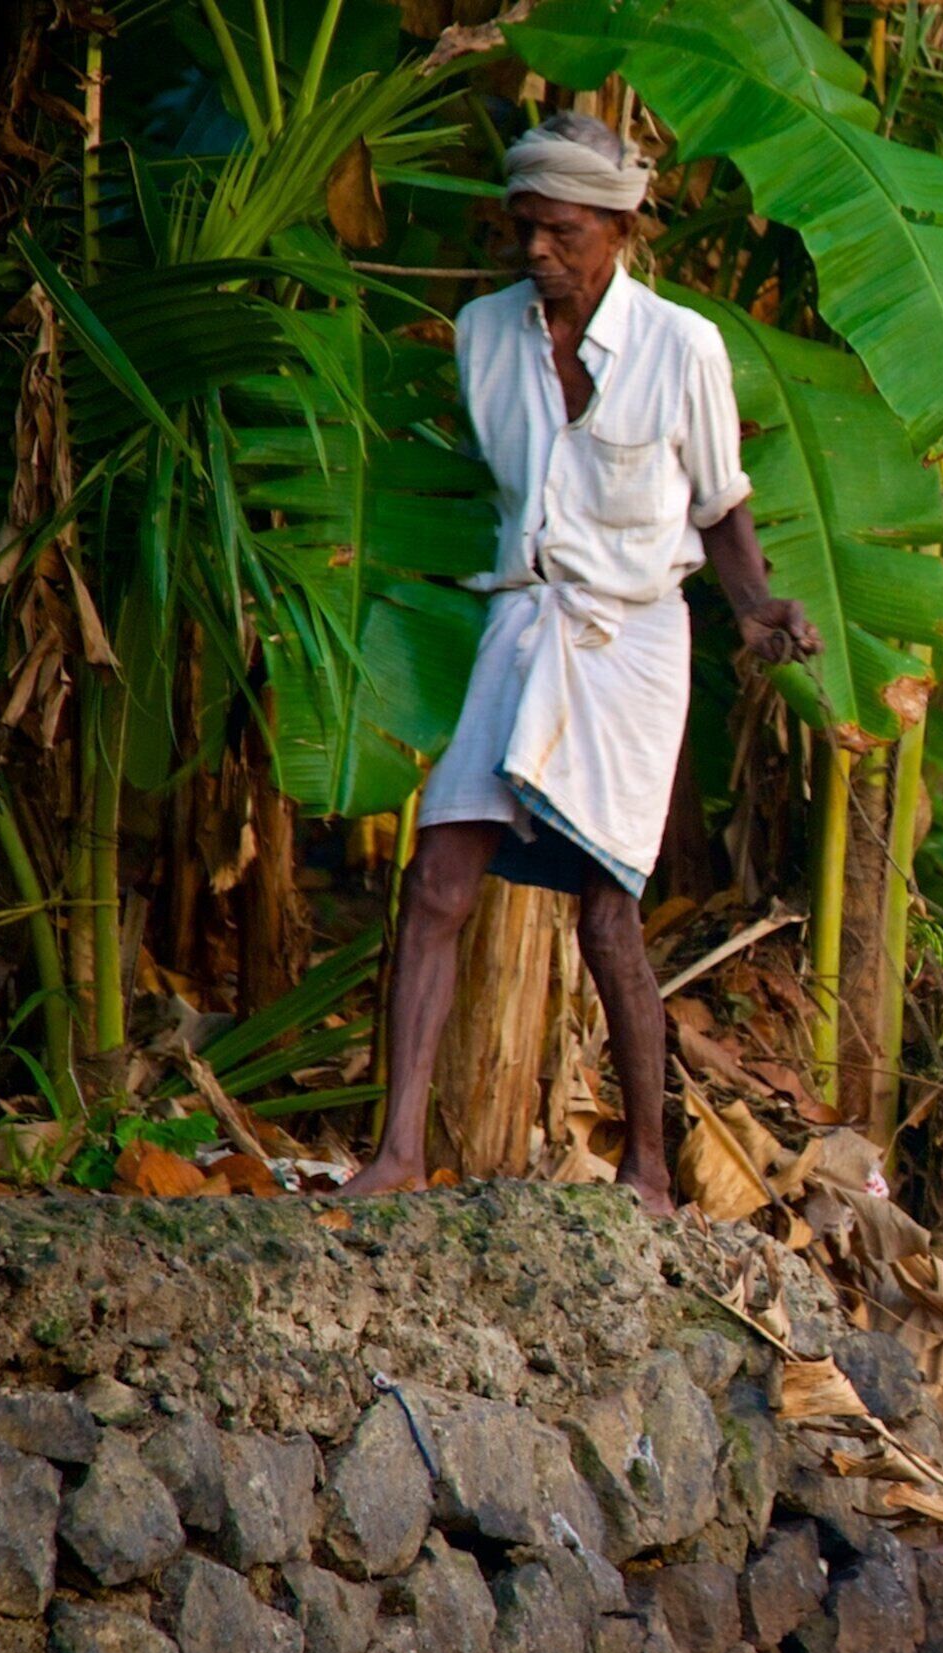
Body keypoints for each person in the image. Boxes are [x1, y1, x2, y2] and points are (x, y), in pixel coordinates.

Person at [339, 113, 819, 1213]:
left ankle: (647, 1167)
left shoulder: (682, 346)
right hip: (519, 624)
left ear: (619, 229)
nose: (537, 251)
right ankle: (398, 1151)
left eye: (561, 232)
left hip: (631, 642)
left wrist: (755, 611)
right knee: (437, 882)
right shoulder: (482, 333)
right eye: (524, 229)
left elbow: (720, 505)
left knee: (607, 913)